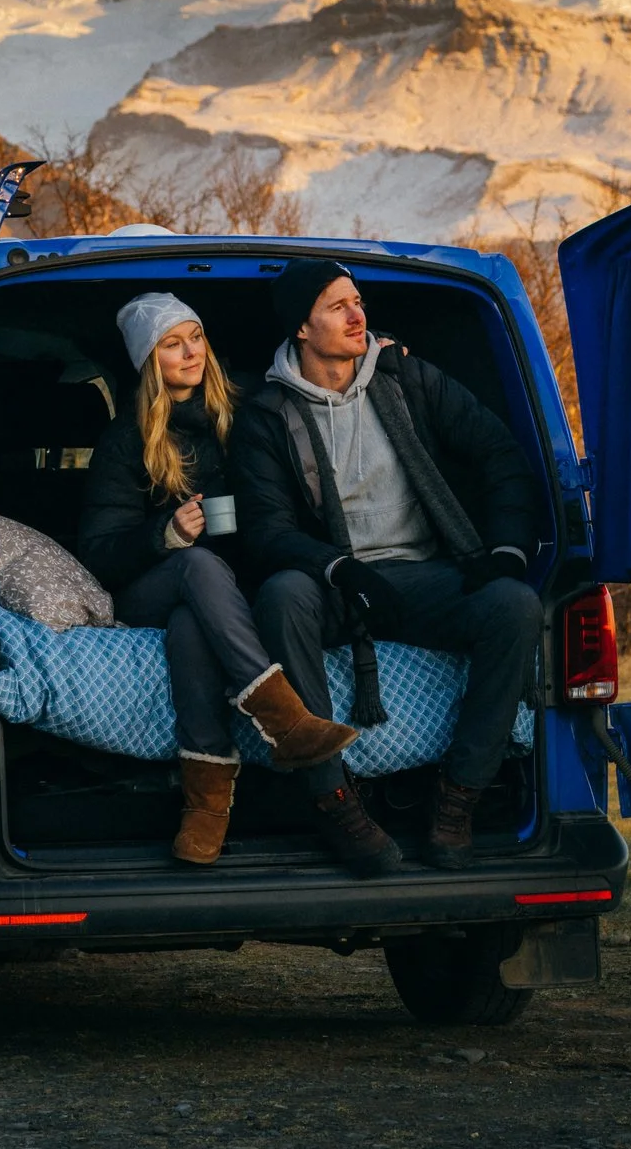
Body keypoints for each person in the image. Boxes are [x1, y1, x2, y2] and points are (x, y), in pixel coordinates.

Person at [229, 261, 539, 876]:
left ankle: (458, 800)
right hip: (335, 583)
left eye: (358, 301)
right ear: (301, 327)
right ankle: (335, 798)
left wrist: (506, 549)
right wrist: (340, 569)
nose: (356, 316)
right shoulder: (265, 415)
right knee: (282, 595)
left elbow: (499, 452)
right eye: (337, 306)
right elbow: (268, 532)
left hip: (423, 574)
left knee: (516, 605)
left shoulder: (409, 380)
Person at [78, 292, 360, 865]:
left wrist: (387, 358)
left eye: (196, 337)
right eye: (171, 344)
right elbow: (100, 553)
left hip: (225, 593)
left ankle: (205, 807)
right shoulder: (125, 439)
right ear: (148, 361)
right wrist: (165, 534)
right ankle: (283, 716)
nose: (190, 353)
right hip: (151, 584)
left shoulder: (248, 410)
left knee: (192, 623)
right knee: (196, 565)